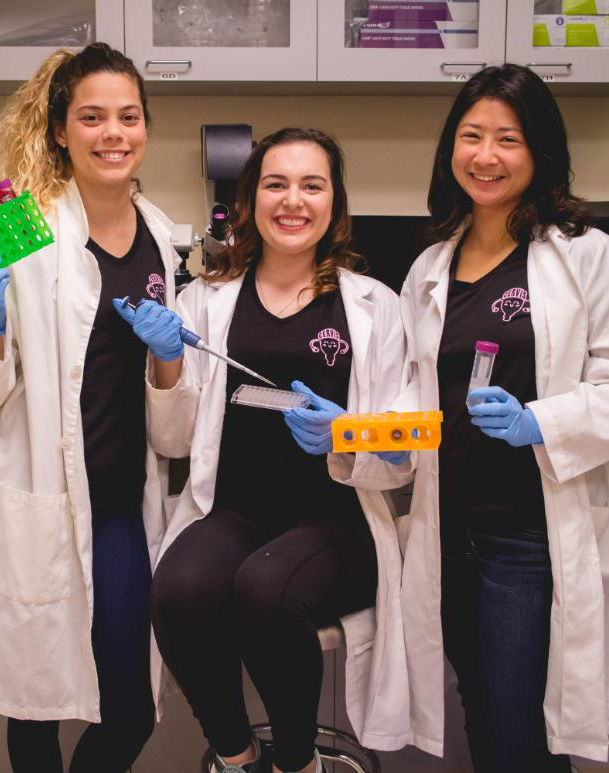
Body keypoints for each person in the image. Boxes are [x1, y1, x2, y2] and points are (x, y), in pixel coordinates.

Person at [396, 64, 609, 771]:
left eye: (506, 139)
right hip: (445, 528)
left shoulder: (586, 255)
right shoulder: (429, 266)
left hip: (527, 536)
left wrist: (538, 420)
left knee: (519, 730)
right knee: (480, 711)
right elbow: (406, 394)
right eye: (471, 136)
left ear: (538, 151)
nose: (485, 156)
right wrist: (353, 426)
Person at [135, 127, 413, 773]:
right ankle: (237, 756)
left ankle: (296, 763)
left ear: (334, 203)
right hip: (235, 512)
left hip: (338, 518)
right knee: (178, 587)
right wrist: (168, 360)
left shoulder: (377, 307)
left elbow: (405, 444)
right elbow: (171, 439)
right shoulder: (203, 300)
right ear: (248, 200)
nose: (293, 200)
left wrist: (348, 432)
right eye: (275, 184)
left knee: (264, 587)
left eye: (311, 185)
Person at [0, 43, 185, 773]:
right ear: (60, 131)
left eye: (128, 116)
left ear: (145, 126)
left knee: (132, 709)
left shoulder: (162, 237)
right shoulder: (21, 228)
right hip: (37, 500)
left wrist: (169, 357)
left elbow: (169, 428)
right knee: (35, 700)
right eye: (92, 117)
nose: (113, 133)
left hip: (118, 506)